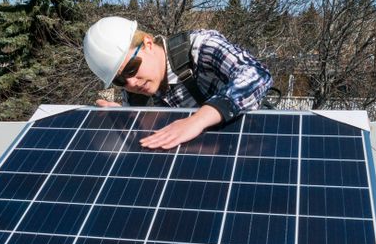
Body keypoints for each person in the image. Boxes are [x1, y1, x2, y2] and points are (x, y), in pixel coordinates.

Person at [83, 16, 272, 149]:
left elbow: (256, 74)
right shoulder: (134, 94)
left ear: (148, 43)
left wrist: (198, 120)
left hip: (250, 148)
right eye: (119, 80)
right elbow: (151, 141)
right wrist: (128, 121)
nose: (131, 82)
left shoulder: (200, 47)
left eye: (131, 68)